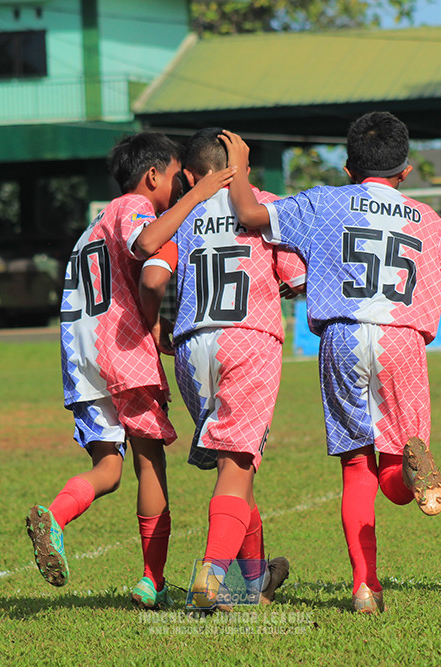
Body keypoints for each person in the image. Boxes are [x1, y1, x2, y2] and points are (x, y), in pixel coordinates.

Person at [223, 112, 441, 614]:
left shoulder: (322, 202)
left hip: (343, 338)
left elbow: (249, 214)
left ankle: (364, 588)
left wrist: (240, 167)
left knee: (356, 466)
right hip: (401, 341)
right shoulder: (430, 221)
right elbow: (437, 301)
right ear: (406, 170)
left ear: (348, 168)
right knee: (394, 465)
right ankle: (410, 474)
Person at [25, 132, 234, 610]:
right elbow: (147, 243)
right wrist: (199, 196)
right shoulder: (132, 207)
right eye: (177, 176)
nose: (182, 185)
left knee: (108, 468)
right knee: (148, 465)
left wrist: (154, 325)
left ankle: (54, 517)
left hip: (81, 354)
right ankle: (150, 580)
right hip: (121, 352)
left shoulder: (91, 226)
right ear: (153, 175)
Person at [138, 128, 305, 614]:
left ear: (189, 175)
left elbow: (152, 276)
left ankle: (252, 580)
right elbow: (296, 278)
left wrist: (155, 327)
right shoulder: (262, 203)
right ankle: (212, 577)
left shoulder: (182, 212)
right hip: (247, 338)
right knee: (237, 465)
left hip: (192, 345)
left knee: (240, 467)